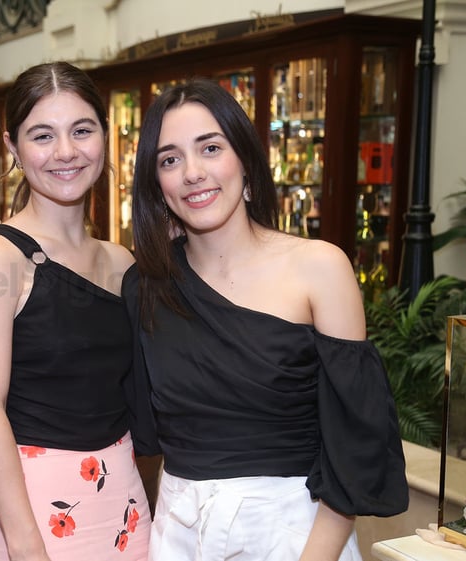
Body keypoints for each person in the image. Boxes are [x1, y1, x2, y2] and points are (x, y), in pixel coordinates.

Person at [123, 78, 409, 561]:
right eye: (170, 160)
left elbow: (354, 444)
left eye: (210, 148)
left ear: (246, 161)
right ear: (157, 185)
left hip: (295, 533)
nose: (193, 172)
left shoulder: (320, 268)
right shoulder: (145, 286)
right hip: (177, 533)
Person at [0, 61, 151, 561]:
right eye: (43, 135)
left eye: (82, 130)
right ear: (13, 148)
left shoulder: (122, 261)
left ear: (105, 137)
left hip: (125, 497)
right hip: (36, 506)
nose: (66, 152)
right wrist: (24, 545)